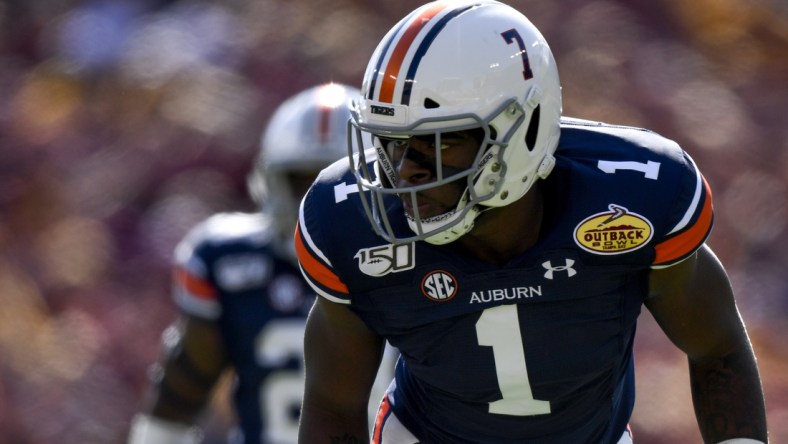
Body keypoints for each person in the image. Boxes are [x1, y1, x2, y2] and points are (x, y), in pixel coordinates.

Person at [294, 1, 769, 443]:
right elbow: (334, 401)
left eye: (437, 143)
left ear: (526, 130)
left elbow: (716, 349)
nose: (403, 171)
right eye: (391, 143)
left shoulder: (634, 196)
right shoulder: (348, 222)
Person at [127, 83, 395, 444]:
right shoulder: (227, 259)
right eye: (301, 183)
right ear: (270, 181)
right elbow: (182, 388)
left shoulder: (418, 258)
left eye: (338, 185)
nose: (317, 205)